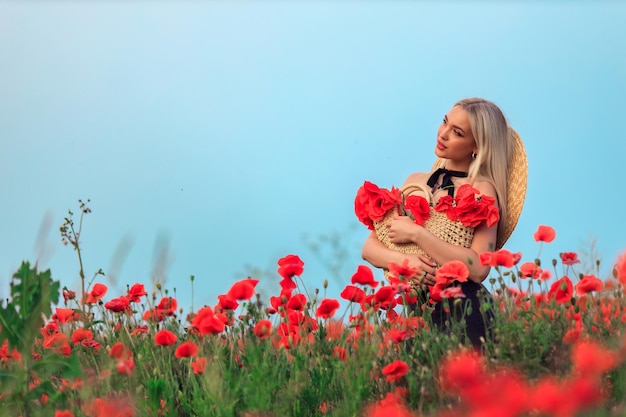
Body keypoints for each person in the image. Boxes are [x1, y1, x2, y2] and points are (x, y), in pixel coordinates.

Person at [361, 97, 527, 347]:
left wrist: (417, 234)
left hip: (465, 308)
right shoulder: (414, 181)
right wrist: (406, 263)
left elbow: (479, 268)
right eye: (445, 122)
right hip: (418, 315)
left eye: (457, 132)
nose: (443, 134)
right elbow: (369, 248)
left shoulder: (482, 189)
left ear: (477, 146)